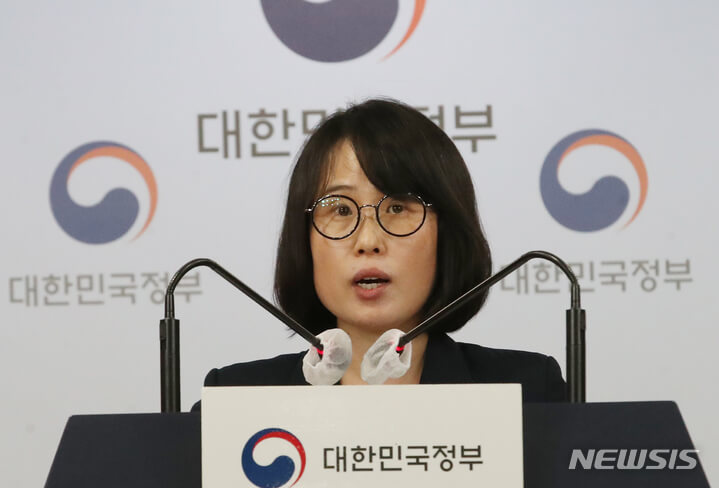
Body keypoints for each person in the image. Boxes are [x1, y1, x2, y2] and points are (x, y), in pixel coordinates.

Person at [194, 99, 566, 408]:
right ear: (303, 241)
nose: (368, 240)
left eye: (398, 208)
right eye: (340, 209)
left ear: (447, 232)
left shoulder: (528, 392)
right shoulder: (232, 403)